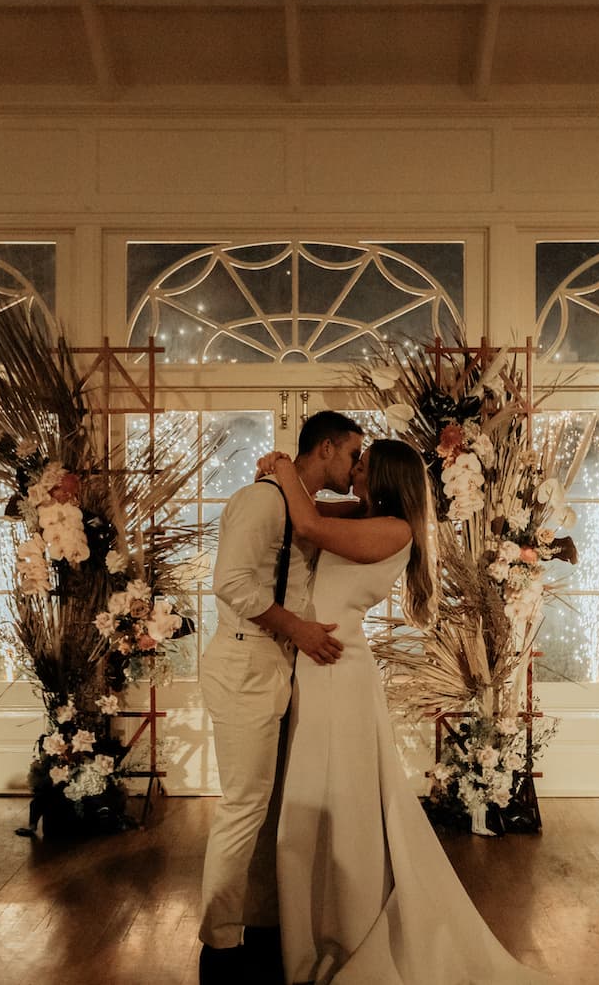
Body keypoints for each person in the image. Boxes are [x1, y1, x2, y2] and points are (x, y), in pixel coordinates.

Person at [263, 440, 542, 984]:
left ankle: (347, 925)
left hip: (337, 670)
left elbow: (310, 527)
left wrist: (279, 466)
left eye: (363, 465)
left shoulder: (395, 529)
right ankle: (315, 923)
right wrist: (287, 481)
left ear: (385, 478)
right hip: (318, 663)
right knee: (314, 792)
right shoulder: (363, 514)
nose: (354, 470)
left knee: (340, 797)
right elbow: (307, 511)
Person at [198, 411, 363, 984]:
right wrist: (298, 628)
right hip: (247, 659)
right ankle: (217, 946)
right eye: (351, 456)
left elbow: (337, 517)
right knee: (244, 805)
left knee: (271, 809)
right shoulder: (262, 501)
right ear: (325, 449)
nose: (355, 467)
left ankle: (262, 926)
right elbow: (231, 582)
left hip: (279, 664)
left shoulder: (300, 505)